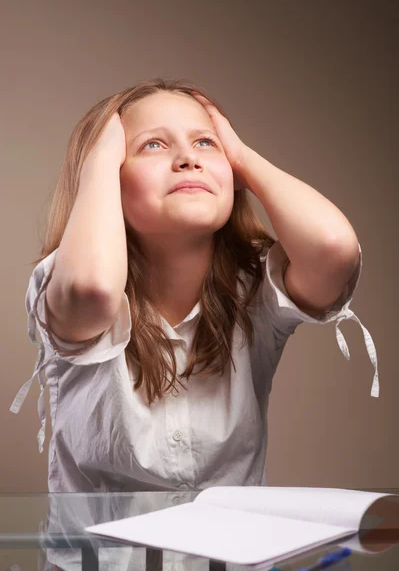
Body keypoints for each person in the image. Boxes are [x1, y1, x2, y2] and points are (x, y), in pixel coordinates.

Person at [11, 77, 378, 494]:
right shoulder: (70, 278)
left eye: (205, 142)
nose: (188, 158)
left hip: (228, 557)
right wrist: (96, 164)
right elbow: (92, 290)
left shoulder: (254, 284)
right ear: (111, 173)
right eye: (153, 145)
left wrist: (242, 156)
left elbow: (334, 251)